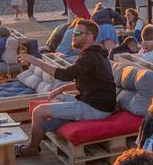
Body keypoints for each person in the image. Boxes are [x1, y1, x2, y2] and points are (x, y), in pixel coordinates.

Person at [21, 19, 118, 153]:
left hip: (95, 108)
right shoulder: (95, 54)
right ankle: (59, 121)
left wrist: (36, 61)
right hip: (94, 102)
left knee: (39, 111)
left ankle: (31, 148)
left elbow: (65, 75)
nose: (73, 35)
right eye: (73, 32)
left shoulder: (90, 57)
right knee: (57, 96)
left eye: (78, 32)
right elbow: (89, 84)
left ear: (90, 36)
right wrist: (60, 89)